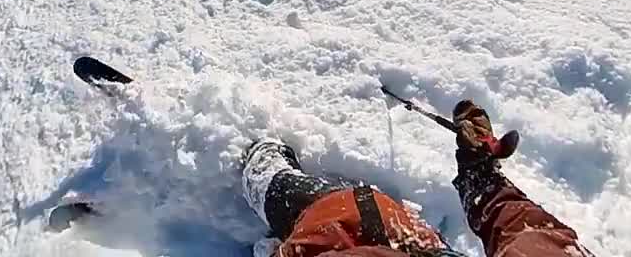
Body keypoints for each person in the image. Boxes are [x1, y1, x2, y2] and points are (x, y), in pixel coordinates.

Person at [241, 100, 591, 257]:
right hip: (401, 234)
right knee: (363, 207)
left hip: (333, 236)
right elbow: (527, 231)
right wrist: (478, 172)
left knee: (267, 177)